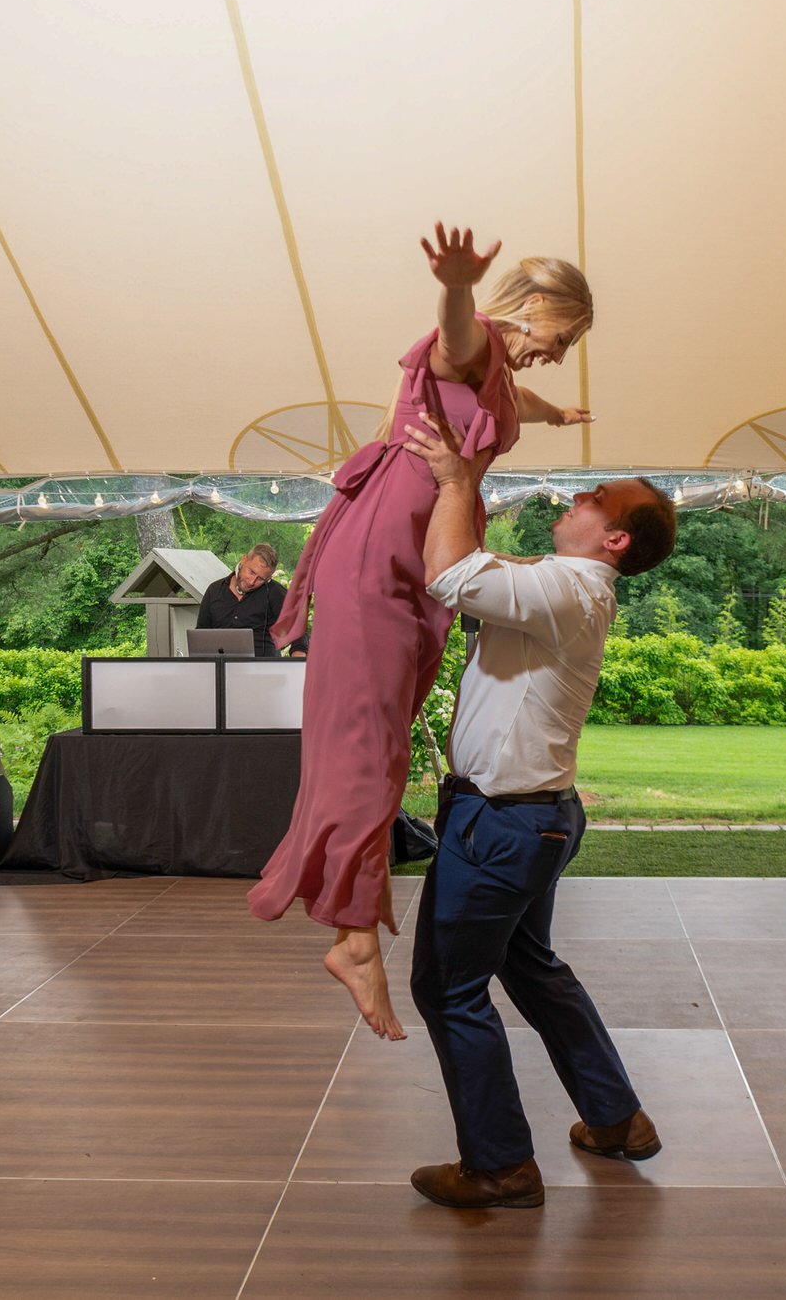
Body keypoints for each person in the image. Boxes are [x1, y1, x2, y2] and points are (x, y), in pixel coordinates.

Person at [247, 224, 596, 1042]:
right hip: (378, 557)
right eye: (563, 334)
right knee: (363, 746)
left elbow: (515, 394)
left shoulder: (502, 376)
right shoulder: (469, 345)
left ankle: (353, 924)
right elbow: (457, 339)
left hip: (419, 562)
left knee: (385, 745)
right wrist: (458, 284)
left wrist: (554, 415)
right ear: (536, 304)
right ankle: (353, 934)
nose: (560, 351)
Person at [397, 401, 679, 1210]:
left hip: (501, 824)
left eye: (595, 499)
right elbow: (491, 564)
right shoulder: (569, 587)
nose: (577, 499)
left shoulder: (567, 588)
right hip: (536, 818)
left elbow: (451, 574)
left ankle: (499, 1164)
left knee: (447, 989)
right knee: (530, 965)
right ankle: (617, 1119)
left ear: (615, 538)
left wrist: (454, 477)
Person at [194, 544, 307, 659]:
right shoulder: (215, 590)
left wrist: (297, 661)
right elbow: (201, 635)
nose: (252, 582)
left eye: (261, 579)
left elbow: (299, 632)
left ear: (269, 579)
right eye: (251, 572)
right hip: (220, 670)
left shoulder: (276, 593)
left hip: (263, 671)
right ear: (244, 559)